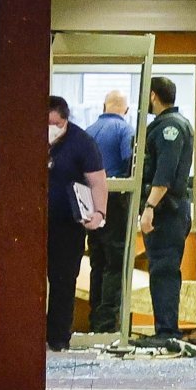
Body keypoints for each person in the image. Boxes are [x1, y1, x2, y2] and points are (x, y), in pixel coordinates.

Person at [47, 96, 108, 352]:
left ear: (65, 120)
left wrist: (99, 213)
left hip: (67, 224)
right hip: (31, 225)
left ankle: (58, 338)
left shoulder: (82, 143)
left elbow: (97, 182)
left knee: (63, 280)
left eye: (55, 123)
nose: (50, 128)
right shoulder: (24, 135)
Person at [138, 76, 194, 342]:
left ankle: (167, 332)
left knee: (163, 270)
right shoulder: (174, 123)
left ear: (152, 96)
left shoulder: (168, 127)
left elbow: (164, 173)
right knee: (163, 270)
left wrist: (149, 206)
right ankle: (166, 329)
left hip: (166, 211)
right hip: (171, 209)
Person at [84, 89, 134, 333]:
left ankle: (95, 319)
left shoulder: (88, 132)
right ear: (125, 110)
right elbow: (130, 163)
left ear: (104, 107)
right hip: (115, 202)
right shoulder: (125, 131)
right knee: (115, 264)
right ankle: (107, 325)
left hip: (92, 203)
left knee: (97, 262)